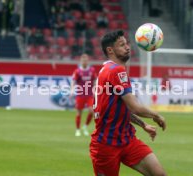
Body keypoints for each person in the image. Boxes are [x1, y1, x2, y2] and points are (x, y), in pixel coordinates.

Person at [90, 30, 167, 176]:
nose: (127, 47)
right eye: (122, 45)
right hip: (106, 144)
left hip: (127, 140)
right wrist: (156, 115)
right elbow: (135, 107)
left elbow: (122, 108)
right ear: (110, 50)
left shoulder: (107, 70)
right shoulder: (116, 71)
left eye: (127, 43)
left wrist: (143, 125)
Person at [70, 54, 97, 137]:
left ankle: (85, 126)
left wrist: (96, 88)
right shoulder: (77, 71)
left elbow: (95, 80)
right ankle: (77, 130)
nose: (85, 62)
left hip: (89, 95)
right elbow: (73, 81)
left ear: (87, 61)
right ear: (81, 61)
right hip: (80, 95)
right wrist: (71, 90)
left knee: (92, 111)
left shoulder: (92, 70)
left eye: (86, 60)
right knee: (79, 113)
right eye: (83, 60)